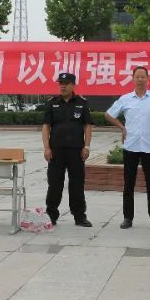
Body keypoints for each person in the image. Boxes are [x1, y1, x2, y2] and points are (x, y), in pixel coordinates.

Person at [106, 66, 150, 231]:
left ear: (148, 79)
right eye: (137, 77)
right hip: (130, 146)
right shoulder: (125, 99)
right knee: (128, 184)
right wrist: (122, 127)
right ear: (133, 79)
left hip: (149, 147)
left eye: (143, 77)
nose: (140, 80)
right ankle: (127, 218)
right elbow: (108, 115)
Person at [42, 72, 93, 227]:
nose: (62, 86)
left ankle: (79, 216)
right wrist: (46, 148)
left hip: (76, 151)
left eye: (65, 84)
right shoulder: (52, 103)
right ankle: (51, 215)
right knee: (54, 184)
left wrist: (87, 146)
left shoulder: (82, 103)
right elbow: (46, 127)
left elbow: (88, 126)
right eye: (60, 84)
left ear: (72, 85)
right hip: (56, 151)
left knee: (77, 184)